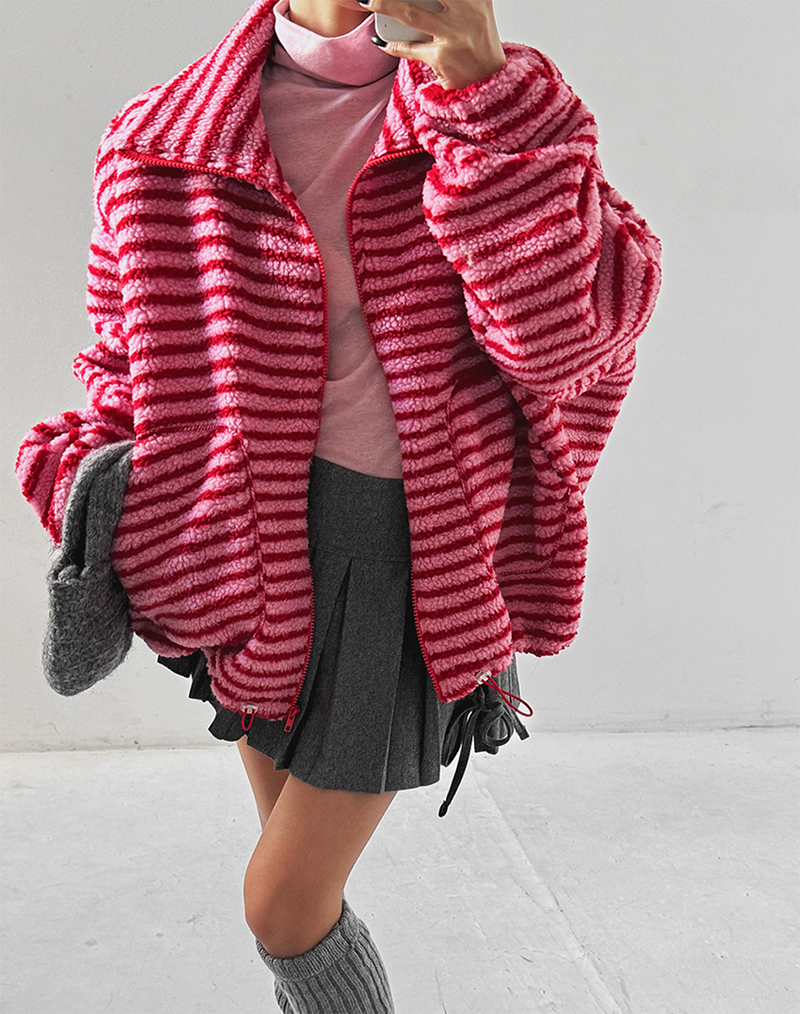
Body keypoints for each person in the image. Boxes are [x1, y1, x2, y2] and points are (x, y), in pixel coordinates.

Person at [15, 0, 662, 1009]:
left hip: (409, 556)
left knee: (281, 903)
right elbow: (123, 361)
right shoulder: (161, 137)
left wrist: (483, 97)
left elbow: (566, 343)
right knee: (297, 896)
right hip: (240, 554)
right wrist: (83, 479)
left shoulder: (497, 110)